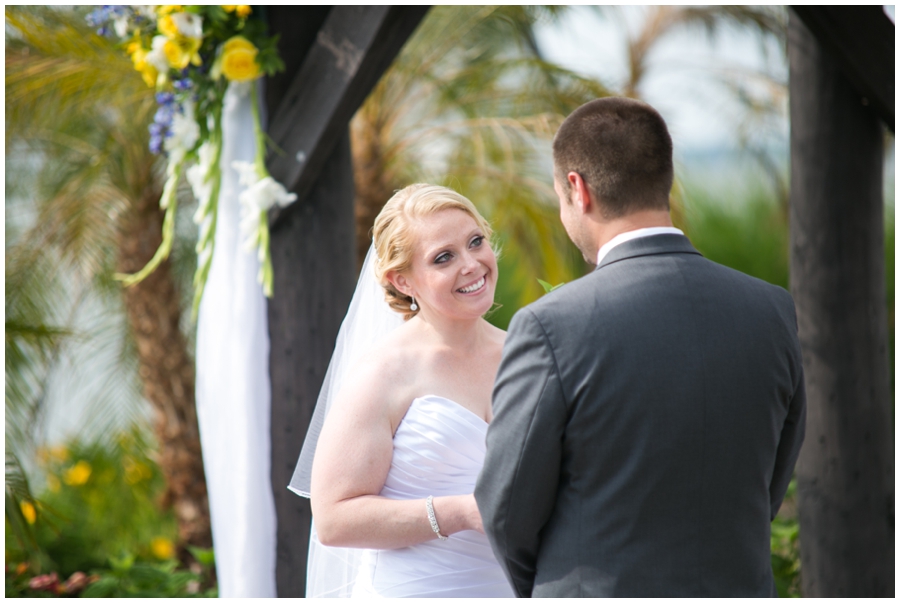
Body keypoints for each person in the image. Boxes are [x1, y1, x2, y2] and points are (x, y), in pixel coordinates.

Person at [475, 97, 806, 597]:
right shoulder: (772, 310)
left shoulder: (549, 325)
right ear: (664, 178)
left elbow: (506, 508)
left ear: (576, 189)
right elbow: (773, 478)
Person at [289, 184, 514, 597]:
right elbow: (334, 520)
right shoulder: (382, 375)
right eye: (443, 257)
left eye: (475, 242)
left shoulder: (526, 355)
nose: (472, 264)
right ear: (402, 280)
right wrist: (462, 512)